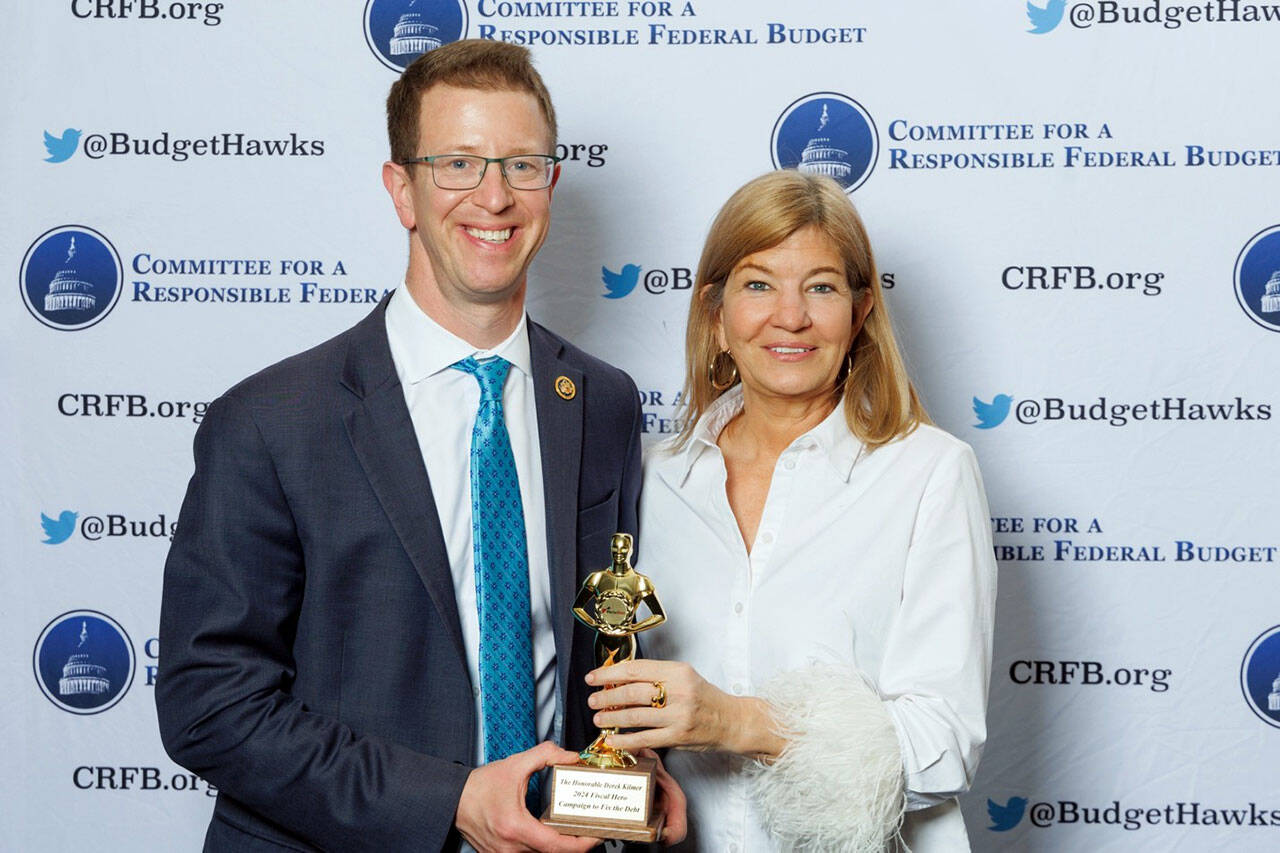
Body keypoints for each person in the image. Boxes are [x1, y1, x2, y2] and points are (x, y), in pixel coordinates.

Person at [156, 40, 683, 852]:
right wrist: (451, 800)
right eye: (459, 164)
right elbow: (209, 704)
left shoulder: (603, 402)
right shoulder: (269, 421)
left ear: (551, 184)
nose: (495, 196)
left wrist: (638, 773)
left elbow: (597, 648)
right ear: (402, 189)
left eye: (522, 165)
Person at [582, 171, 997, 851]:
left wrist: (735, 721)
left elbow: (941, 745)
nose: (791, 315)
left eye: (822, 287)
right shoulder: (650, 477)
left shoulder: (930, 473)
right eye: (758, 283)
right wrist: (637, 766)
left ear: (861, 314)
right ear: (716, 315)